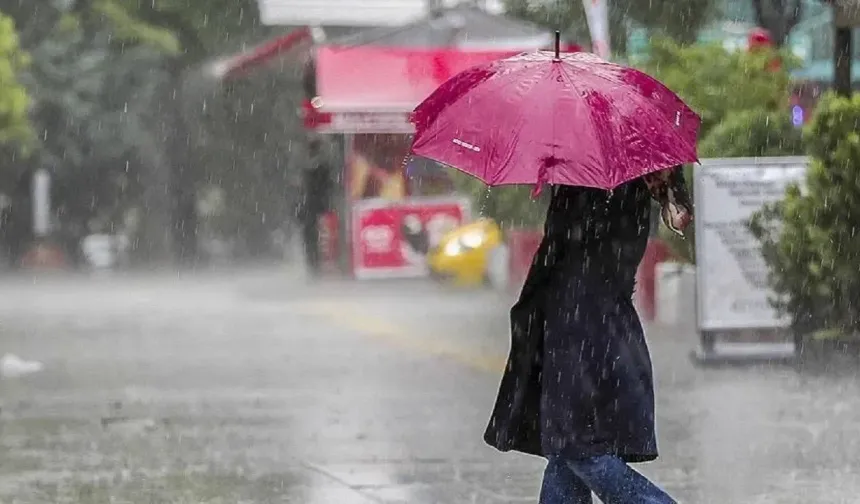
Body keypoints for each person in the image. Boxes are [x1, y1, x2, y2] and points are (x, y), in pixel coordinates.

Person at [483, 167, 693, 504]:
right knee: (564, 447)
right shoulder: (632, 162)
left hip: (579, 318)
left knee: (577, 444)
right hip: (598, 315)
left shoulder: (587, 166)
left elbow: (573, 240)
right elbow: (673, 216)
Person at [298, 139, 332, 276]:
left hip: (312, 208)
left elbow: (307, 189)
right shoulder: (322, 168)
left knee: (312, 238)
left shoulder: (309, 169)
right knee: (318, 238)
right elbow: (327, 186)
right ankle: (316, 264)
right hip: (320, 208)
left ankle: (313, 265)